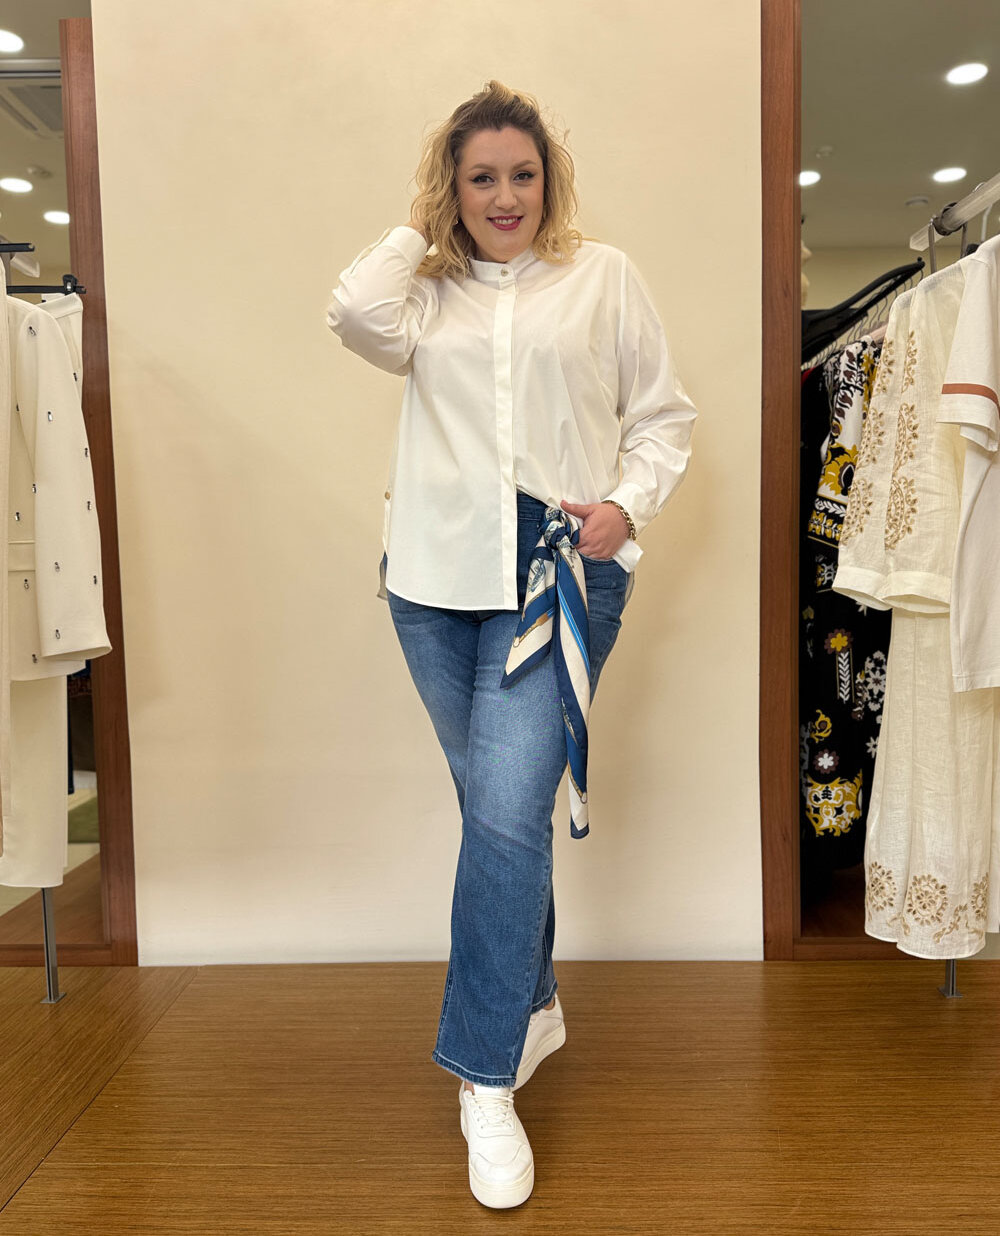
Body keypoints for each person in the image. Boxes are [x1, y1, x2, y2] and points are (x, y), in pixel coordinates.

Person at [325, 79, 697, 1210]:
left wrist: (625, 506)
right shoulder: (423, 295)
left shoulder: (602, 277)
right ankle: (530, 1004)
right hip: (432, 587)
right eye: (480, 176)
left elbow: (663, 416)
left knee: (499, 814)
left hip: (558, 581)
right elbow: (352, 314)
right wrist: (419, 224)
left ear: (550, 181)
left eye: (522, 175)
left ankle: (484, 1078)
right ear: (452, 185)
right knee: (498, 813)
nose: (505, 196)